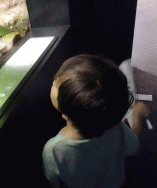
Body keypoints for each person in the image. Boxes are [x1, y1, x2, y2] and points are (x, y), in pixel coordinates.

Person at [42, 54, 151, 188]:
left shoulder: (53, 149)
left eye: (56, 85)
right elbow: (135, 147)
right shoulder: (117, 128)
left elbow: (53, 182)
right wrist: (138, 116)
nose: (53, 81)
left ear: (65, 115)